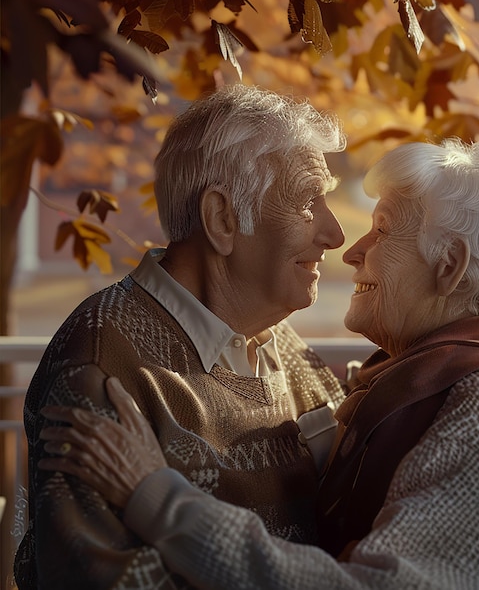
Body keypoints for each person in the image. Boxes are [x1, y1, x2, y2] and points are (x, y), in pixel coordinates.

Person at [37, 139, 479, 589]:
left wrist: (158, 498)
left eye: (384, 230)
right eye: (310, 202)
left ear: (450, 266)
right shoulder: (420, 377)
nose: (348, 247)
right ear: (222, 220)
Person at [14, 84, 349, 589]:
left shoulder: (284, 346)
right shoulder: (102, 365)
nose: (336, 233)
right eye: (308, 202)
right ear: (222, 219)